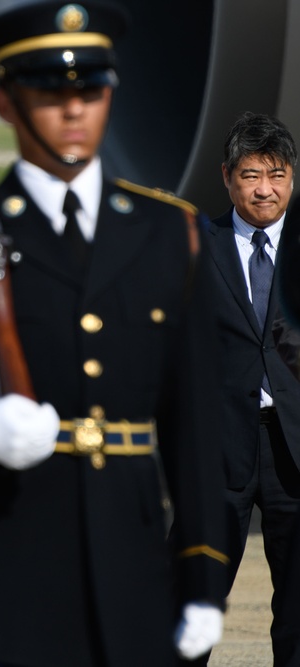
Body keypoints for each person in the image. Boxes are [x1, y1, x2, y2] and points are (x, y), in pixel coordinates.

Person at [0, 3, 229, 665]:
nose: (75, 109)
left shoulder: (173, 233)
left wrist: (202, 580)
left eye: (91, 90)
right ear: (5, 103)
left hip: (133, 582)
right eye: (51, 93)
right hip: (4, 574)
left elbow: (195, 426)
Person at [204, 111, 300, 665]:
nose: (264, 189)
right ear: (227, 176)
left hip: (295, 451)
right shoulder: (196, 245)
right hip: (219, 448)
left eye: (277, 174)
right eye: (250, 175)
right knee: (192, 596)